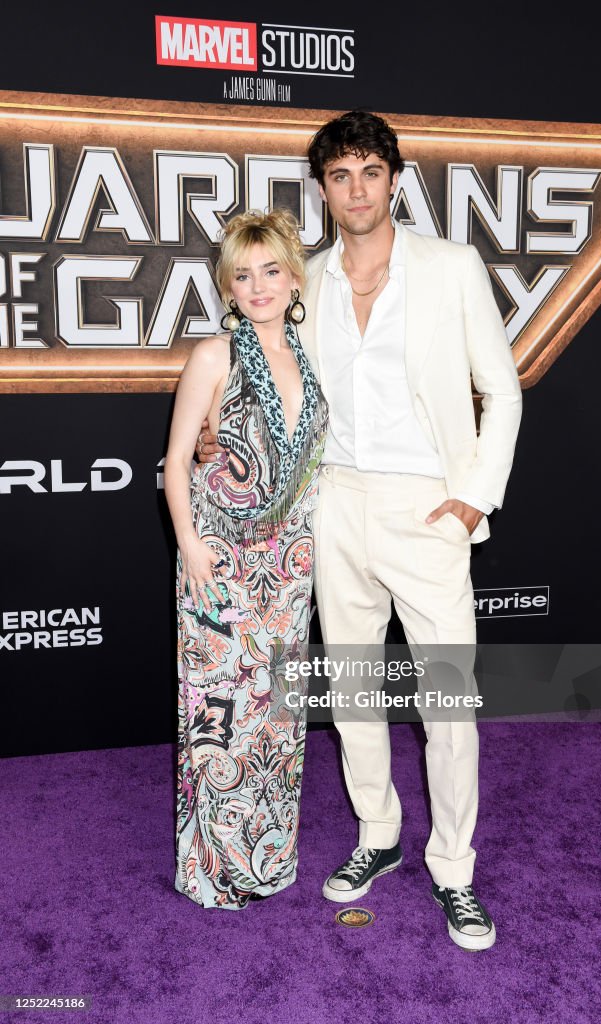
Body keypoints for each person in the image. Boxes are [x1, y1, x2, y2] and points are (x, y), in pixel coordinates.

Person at [198, 110, 522, 949]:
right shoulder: (304, 280)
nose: (356, 190)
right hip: (333, 503)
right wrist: (210, 431)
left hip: (427, 509)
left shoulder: (450, 268)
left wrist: (475, 497)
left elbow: (504, 388)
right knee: (352, 693)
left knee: (448, 706)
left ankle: (455, 871)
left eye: (370, 173)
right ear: (322, 189)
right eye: (339, 176)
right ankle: (377, 835)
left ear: (395, 180)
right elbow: (260, 372)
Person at [165, 208, 328, 910]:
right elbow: (175, 462)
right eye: (242, 274)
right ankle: (213, 864)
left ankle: (267, 853)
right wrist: (191, 546)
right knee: (221, 715)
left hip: (290, 566)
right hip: (220, 561)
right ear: (227, 287)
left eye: (270, 270)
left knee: (280, 721)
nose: (258, 286)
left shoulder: (312, 353)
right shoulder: (213, 354)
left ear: (293, 277)